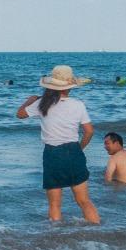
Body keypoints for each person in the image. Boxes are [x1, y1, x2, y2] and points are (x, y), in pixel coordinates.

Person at [16, 65, 100, 224]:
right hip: (74, 151)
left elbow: (19, 114)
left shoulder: (42, 104)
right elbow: (89, 131)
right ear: (70, 87)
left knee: (55, 204)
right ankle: (98, 231)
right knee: (84, 201)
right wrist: (80, 149)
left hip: (52, 154)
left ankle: (55, 235)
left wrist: (30, 100)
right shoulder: (78, 104)